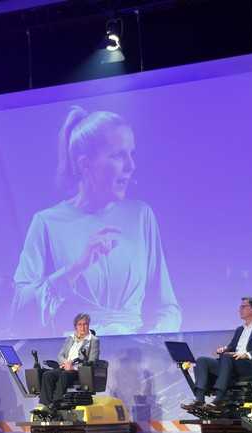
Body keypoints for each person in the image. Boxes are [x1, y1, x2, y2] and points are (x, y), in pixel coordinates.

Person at [12, 107, 181, 337]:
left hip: (136, 361)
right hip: (75, 360)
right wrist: (75, 269)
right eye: (118, 155)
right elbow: (19, 312)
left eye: (132, 154)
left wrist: (152, 342)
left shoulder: (141, 215)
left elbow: (168, 307)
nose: (131, 166)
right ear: (85, 164)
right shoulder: (46, 222)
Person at [181, 297, 252, 409]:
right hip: (233, 364)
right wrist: (225, 349)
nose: (240, 309)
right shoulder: (240, 330)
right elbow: (232, 347)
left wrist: (247, 354)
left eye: (243, 307)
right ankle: (199, 399)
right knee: (202, 360)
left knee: (227, 358)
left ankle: (219, 398)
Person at [39, 313, 99, 409]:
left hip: (79, 370)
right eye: (80, 324)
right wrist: (65, 363)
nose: (82, 327)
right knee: (47, 375)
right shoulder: (70, 339)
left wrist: (74, 367)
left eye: (85, 324)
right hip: (65, 366)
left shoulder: (94, 341)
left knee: (64, 375)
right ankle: (46, 404)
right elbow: (60, 355)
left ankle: (56, 402)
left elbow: (93, 360)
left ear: (88, 325)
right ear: (76, 327)